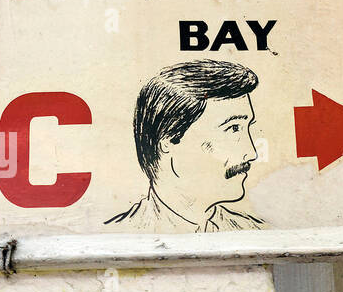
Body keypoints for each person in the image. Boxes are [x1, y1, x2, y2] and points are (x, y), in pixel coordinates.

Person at [107, 59, 264, 232]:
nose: (251, 152)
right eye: (233, 128)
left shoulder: (252, 232)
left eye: (246, 128)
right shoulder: (120, 235)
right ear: (167, 141)